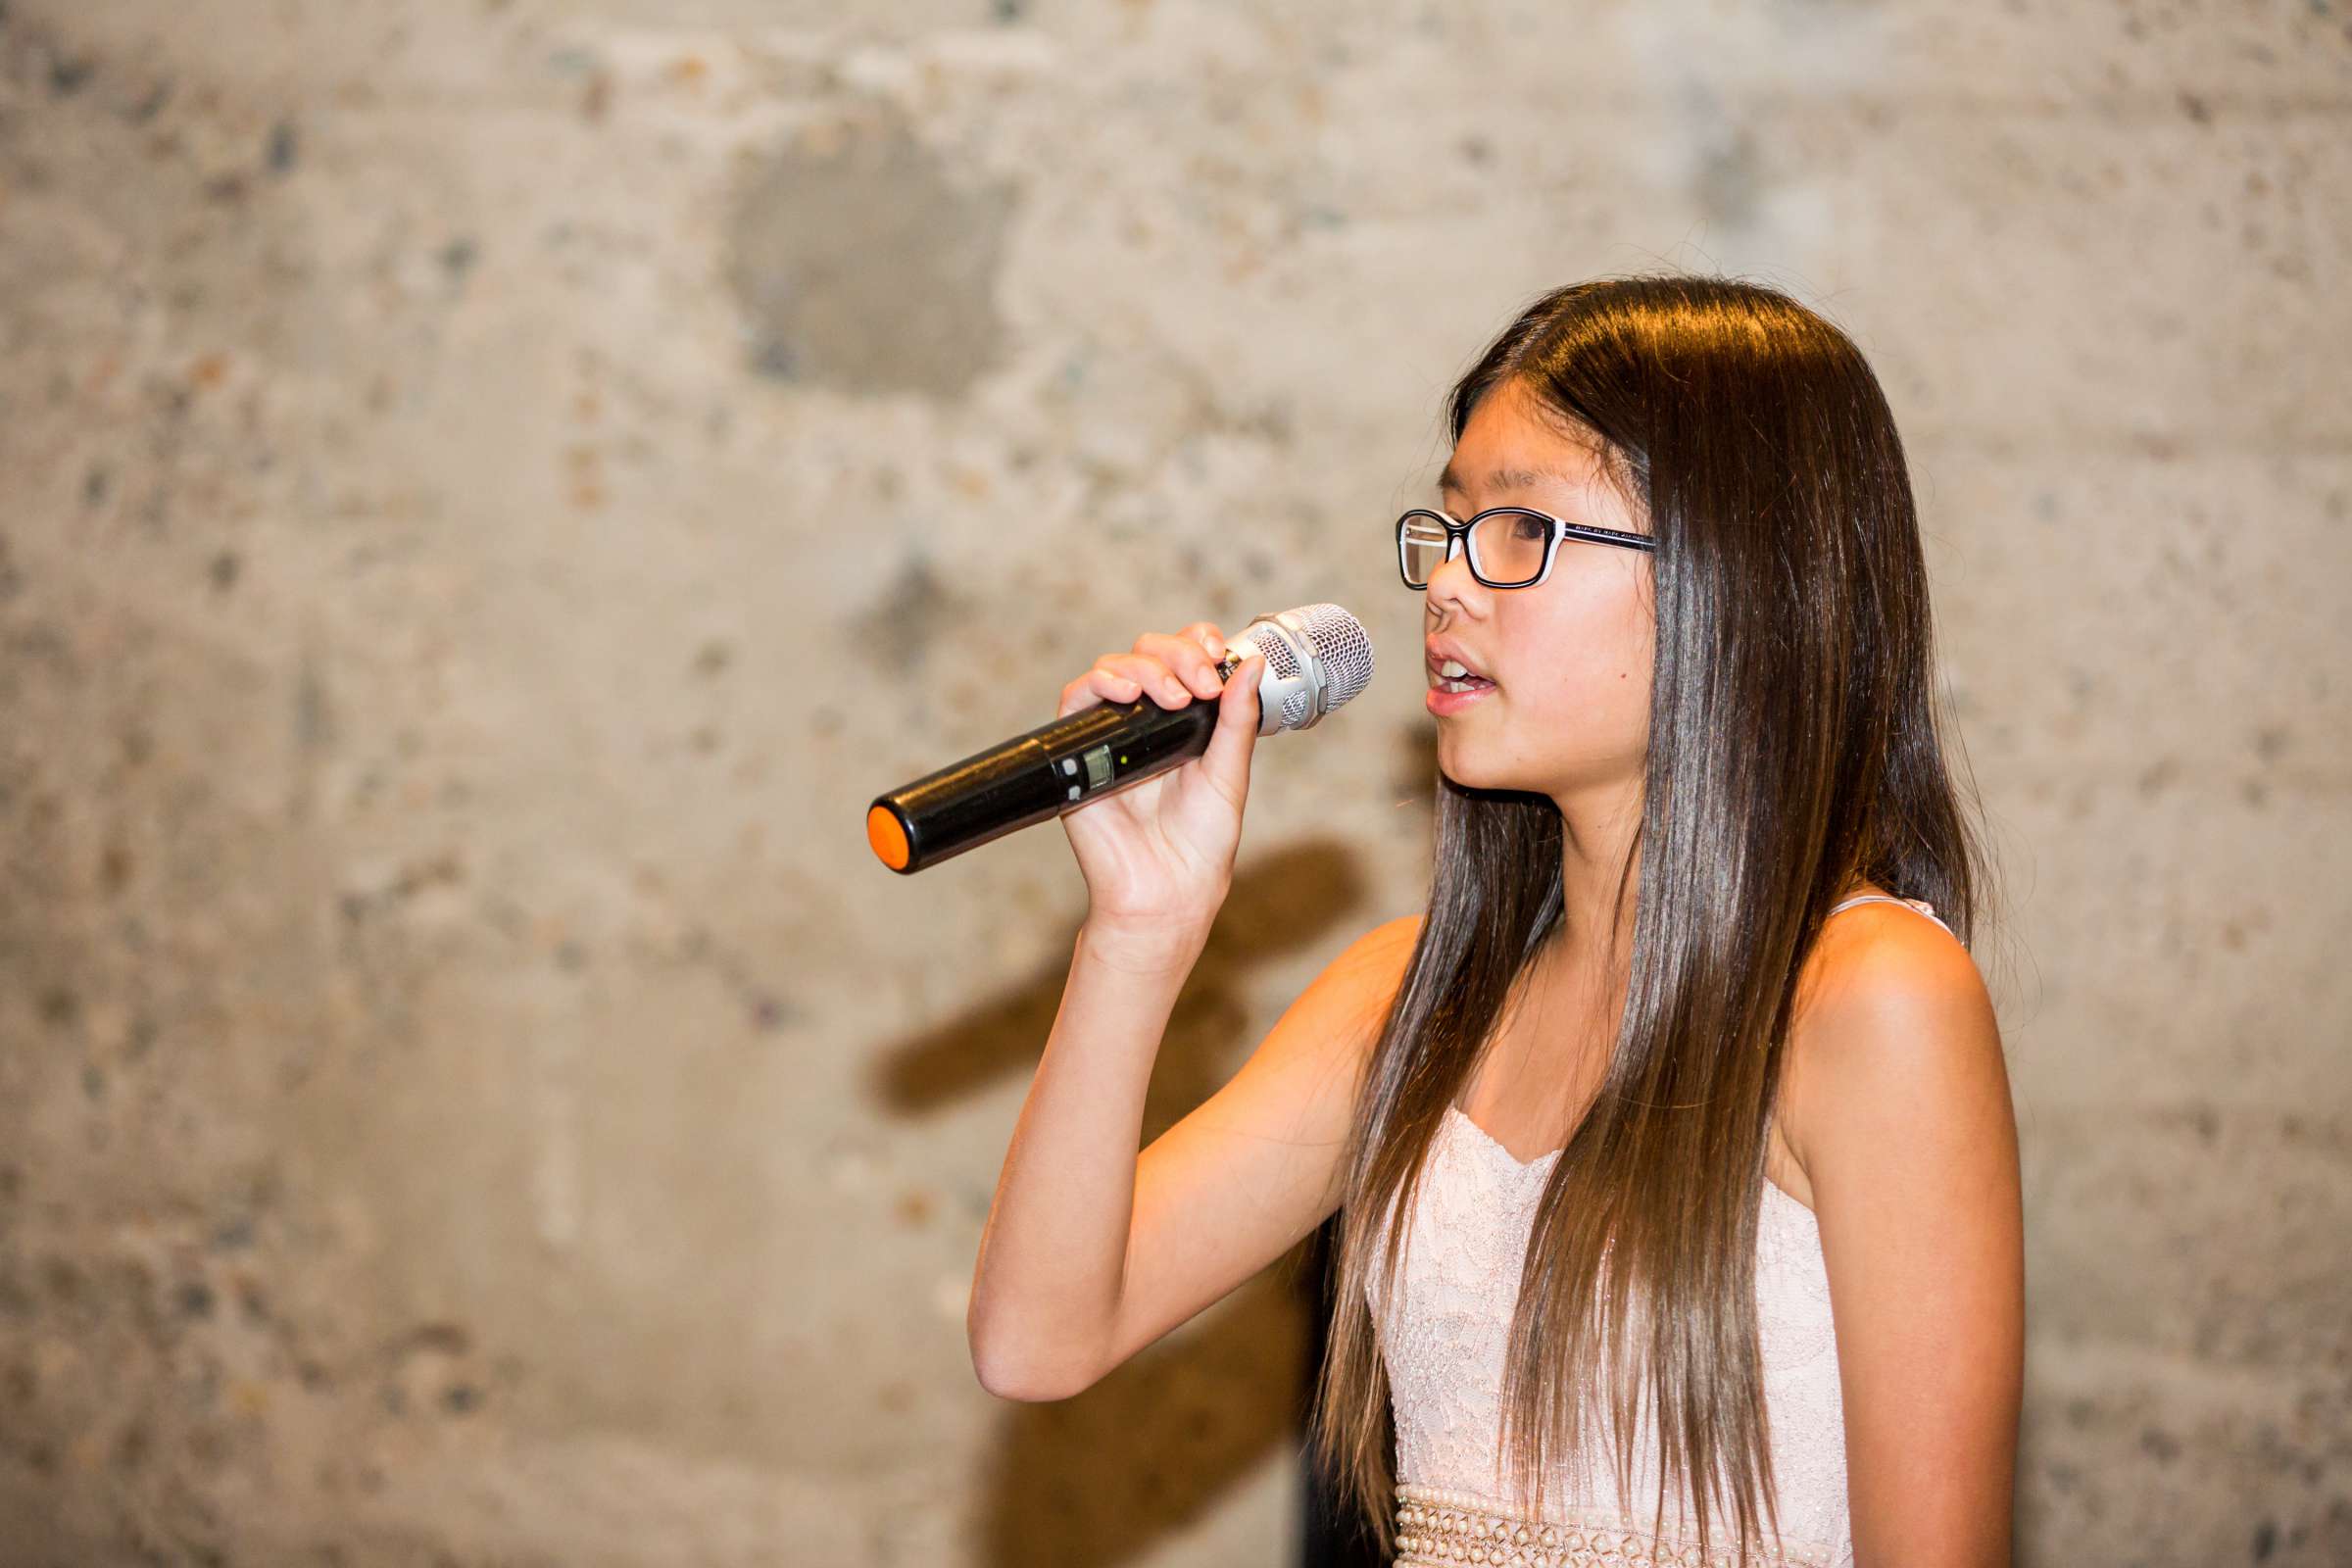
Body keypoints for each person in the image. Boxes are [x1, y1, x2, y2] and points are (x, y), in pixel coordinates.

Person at [965, 274, 2025, 1568]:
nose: (1450, 589)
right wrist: (1136, 932)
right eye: (1451, 528)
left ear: (1739, 578)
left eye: (1522, 531)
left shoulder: (1870, 997)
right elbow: (1037, 1337)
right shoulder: (1409, 996)